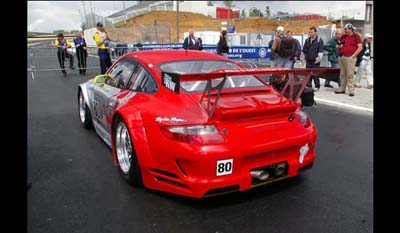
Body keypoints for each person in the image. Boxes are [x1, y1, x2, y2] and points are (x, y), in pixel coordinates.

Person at [335, 23, 363, 97]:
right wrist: (339, 46)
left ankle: (351, 89)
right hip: (342, 57)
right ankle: (342, 88)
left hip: (350, 57)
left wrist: (354, 55)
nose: (345, 30)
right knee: (342, 74)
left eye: (346, 29)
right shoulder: (343, 37)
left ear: (351, 29)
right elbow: (338, 45)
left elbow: (360, 47)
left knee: (350, 74)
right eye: (344, 29)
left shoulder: (356, 36)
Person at [302, 26, 324, 91]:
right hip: (308, 59)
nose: (310, 33)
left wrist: (318, 59)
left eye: (312, 32)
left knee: (315, 74)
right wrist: (304, 57)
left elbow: (320, 50)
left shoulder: (319, 40)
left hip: (315, 60)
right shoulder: (307, 40)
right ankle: (308, 85)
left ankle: (317, 86)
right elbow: (304, 49)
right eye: (309, 32)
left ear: (315, 32)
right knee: (308, 73)